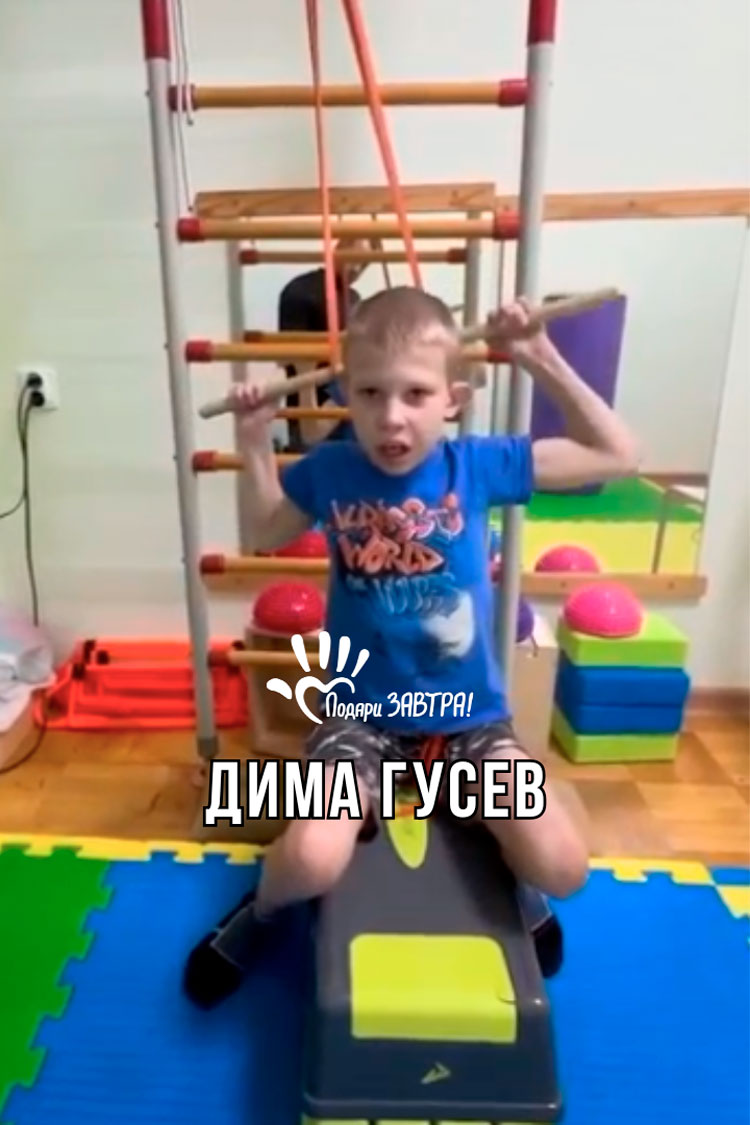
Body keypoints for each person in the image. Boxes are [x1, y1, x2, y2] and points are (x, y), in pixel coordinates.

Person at [183, 285, 641, 1009]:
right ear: (345, 393)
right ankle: (259, 909)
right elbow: (265, 531)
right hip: (359, 719)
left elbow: (617, 453)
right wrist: (253, 442)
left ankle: (503, 863)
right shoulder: (333, 470)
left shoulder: (477, 465)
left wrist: (538, 354)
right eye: (370, 392)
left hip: (468, 721)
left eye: (416, 393)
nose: (392, 416)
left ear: (452, 399)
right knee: (310, 859)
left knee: (562, 865)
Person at [278, 239, 370, 451]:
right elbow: (289, 355)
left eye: (365, 264)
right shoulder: (300, 291)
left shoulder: (354, 300)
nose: (357, 269)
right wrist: (306, 378)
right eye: (356, 259)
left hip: (342, 402)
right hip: (310, 404)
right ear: (338, 250)